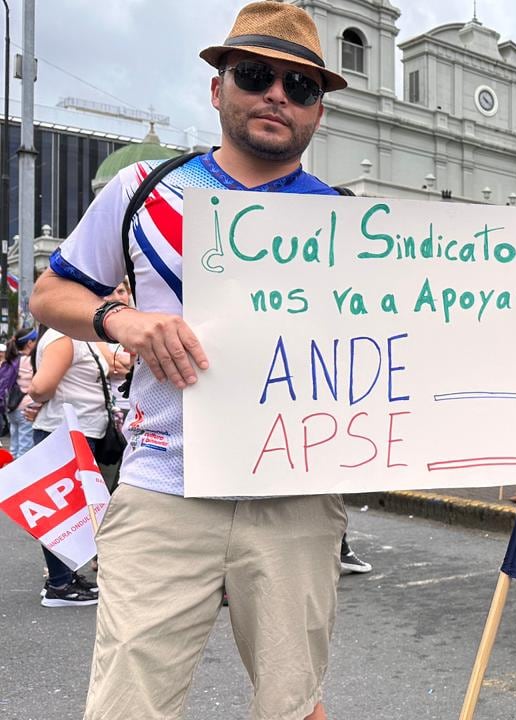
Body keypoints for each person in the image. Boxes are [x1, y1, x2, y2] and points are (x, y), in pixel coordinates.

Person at [31, 4, 352, 717]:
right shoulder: (143, 189)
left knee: (293, 705)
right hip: (164, 487)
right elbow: (50, 294)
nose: (278, 94)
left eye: (301, 87)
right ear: (217, 88)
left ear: (319, 112)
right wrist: (121, 319)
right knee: (127, 704)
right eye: (255, 74)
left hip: (295, 494)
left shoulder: (348, 222)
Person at [26, 321, 125, 607]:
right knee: (62, 511)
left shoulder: (83, 337)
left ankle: (64, 578)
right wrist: (38, 401)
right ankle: (59, 583)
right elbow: (41, 386)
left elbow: (117, 366)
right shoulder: (63, 338)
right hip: (65, 431)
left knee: (73, 509)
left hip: (79, 431)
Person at [1, 328, 37, 456]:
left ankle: (10, 471)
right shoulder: (30, 361)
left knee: (14, 445)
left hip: (11, 406)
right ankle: (20, 475)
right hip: (26, 407)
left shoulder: (12, 360)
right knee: (25, 448)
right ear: (29, 343)